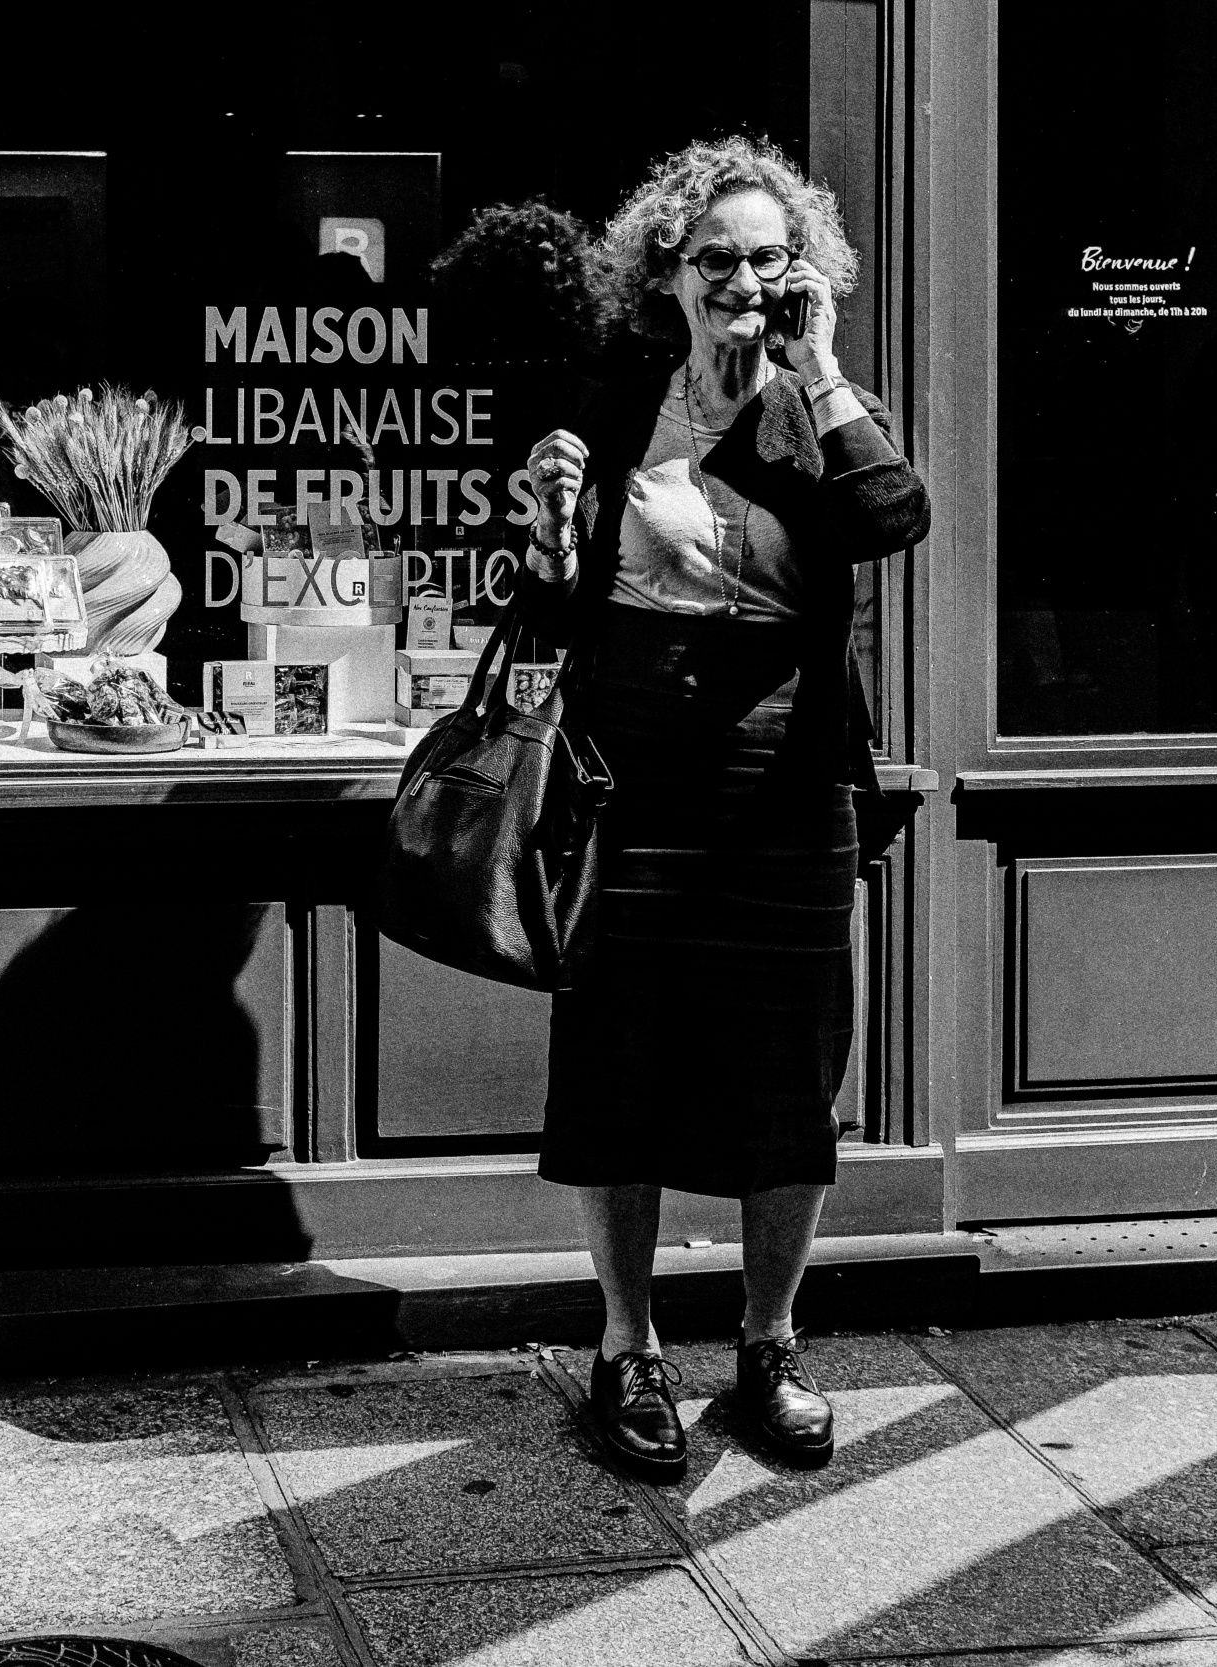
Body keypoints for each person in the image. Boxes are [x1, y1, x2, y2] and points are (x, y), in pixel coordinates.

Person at [517, 136, 929, 1480]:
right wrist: (549, 529)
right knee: (617, 1061)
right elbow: (552, 599)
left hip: (785, 782)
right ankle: (627, 1346)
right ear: (668, 274)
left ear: (804, 271)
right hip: (632, 778)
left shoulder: (829, 410)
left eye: (769, 258)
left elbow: (894, 519)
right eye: (716, 261)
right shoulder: (615, 403)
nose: (744, 281)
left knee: (786, 1069)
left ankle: (769, 1343)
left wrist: (821, 368)